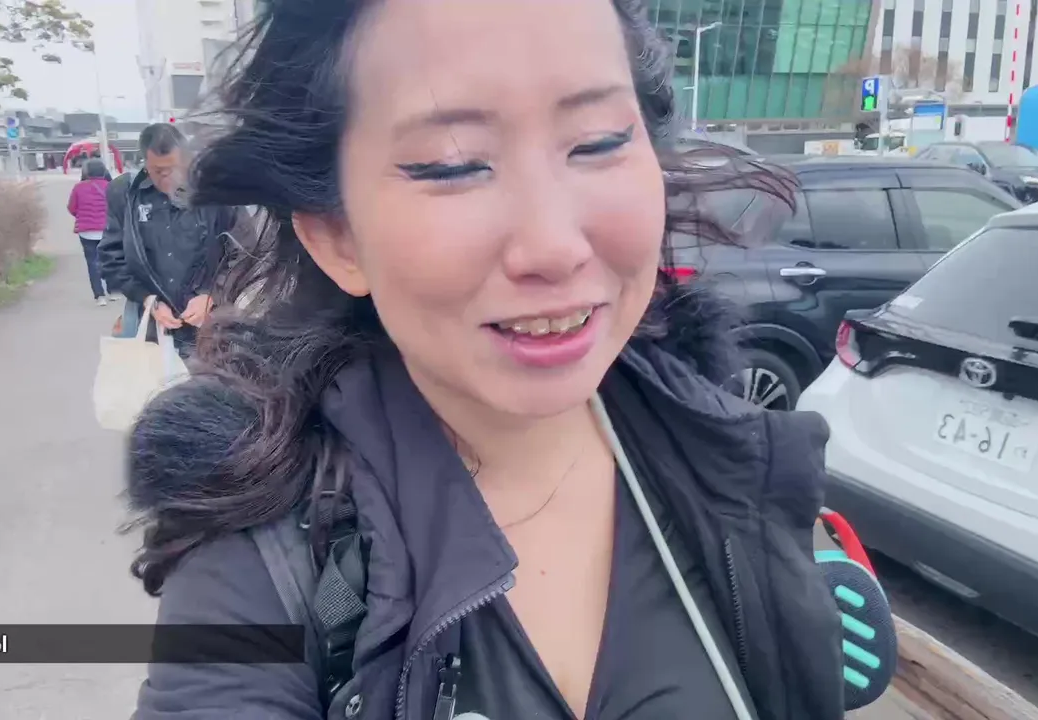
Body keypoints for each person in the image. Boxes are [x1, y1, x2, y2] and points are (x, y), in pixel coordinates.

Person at [125, 0, 844, 718]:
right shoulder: (262, 554)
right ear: (337, 237)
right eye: (454, 165)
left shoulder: (727, 454)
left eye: (597, 143)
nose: (554, 246)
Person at [98, 123, 238, 359]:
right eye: (158, 171)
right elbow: (111, 260)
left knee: (213, 380)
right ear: (145, 163)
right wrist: (147, 299)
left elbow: (246, 254)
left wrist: (213, 295)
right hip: (153, 332)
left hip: (211, 329)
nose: (167, 177)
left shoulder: (215, 192)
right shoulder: (126, 194)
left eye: (173, 168)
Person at [67, 158, 115, 306]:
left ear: (86, 172)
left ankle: (99, 296)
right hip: (107, 230)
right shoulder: (111, 187)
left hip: (86, 232)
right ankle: (113, 291)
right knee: (110, 260)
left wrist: (82, 217)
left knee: (92, 262)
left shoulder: (78, 187)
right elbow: (117, 208)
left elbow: (71, 208)